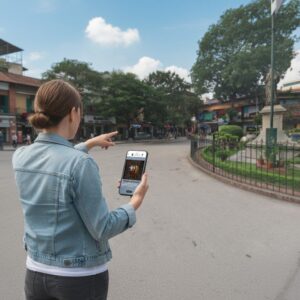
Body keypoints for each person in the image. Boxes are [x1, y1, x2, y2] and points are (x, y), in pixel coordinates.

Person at [12, 80, 149, 300]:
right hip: (78, 278)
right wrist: (135, 202)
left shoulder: (20, 156)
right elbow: (102, 228)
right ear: (74, 113)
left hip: (36, 272)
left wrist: (89, 143)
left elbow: (55, 159)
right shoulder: (80, 164)